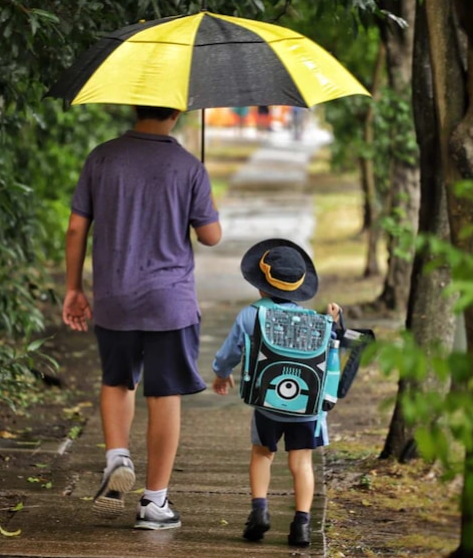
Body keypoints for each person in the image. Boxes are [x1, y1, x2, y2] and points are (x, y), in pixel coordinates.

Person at [62, 105, 222, 531]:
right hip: (170, 302)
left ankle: (117, 455)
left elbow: (77, 228)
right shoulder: (189, 166)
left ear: (135, 105)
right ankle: (154, 503)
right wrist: (207, 203)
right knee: (164, 393)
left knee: (117, 380)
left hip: (115, 297)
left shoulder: (102, 157)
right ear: (177, 110)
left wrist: (74, 288)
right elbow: (210, 236)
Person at [211, 238, 341, 547]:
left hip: (267, 404)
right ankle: (302, 525)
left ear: (260, 286)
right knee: (301, 464)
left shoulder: (250, 315)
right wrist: (333, 321)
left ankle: (259, 512)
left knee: (262, 454)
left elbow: (229, 353)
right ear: (299, 288)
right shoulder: (316, 321)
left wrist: (221, 374)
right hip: (307, 408)